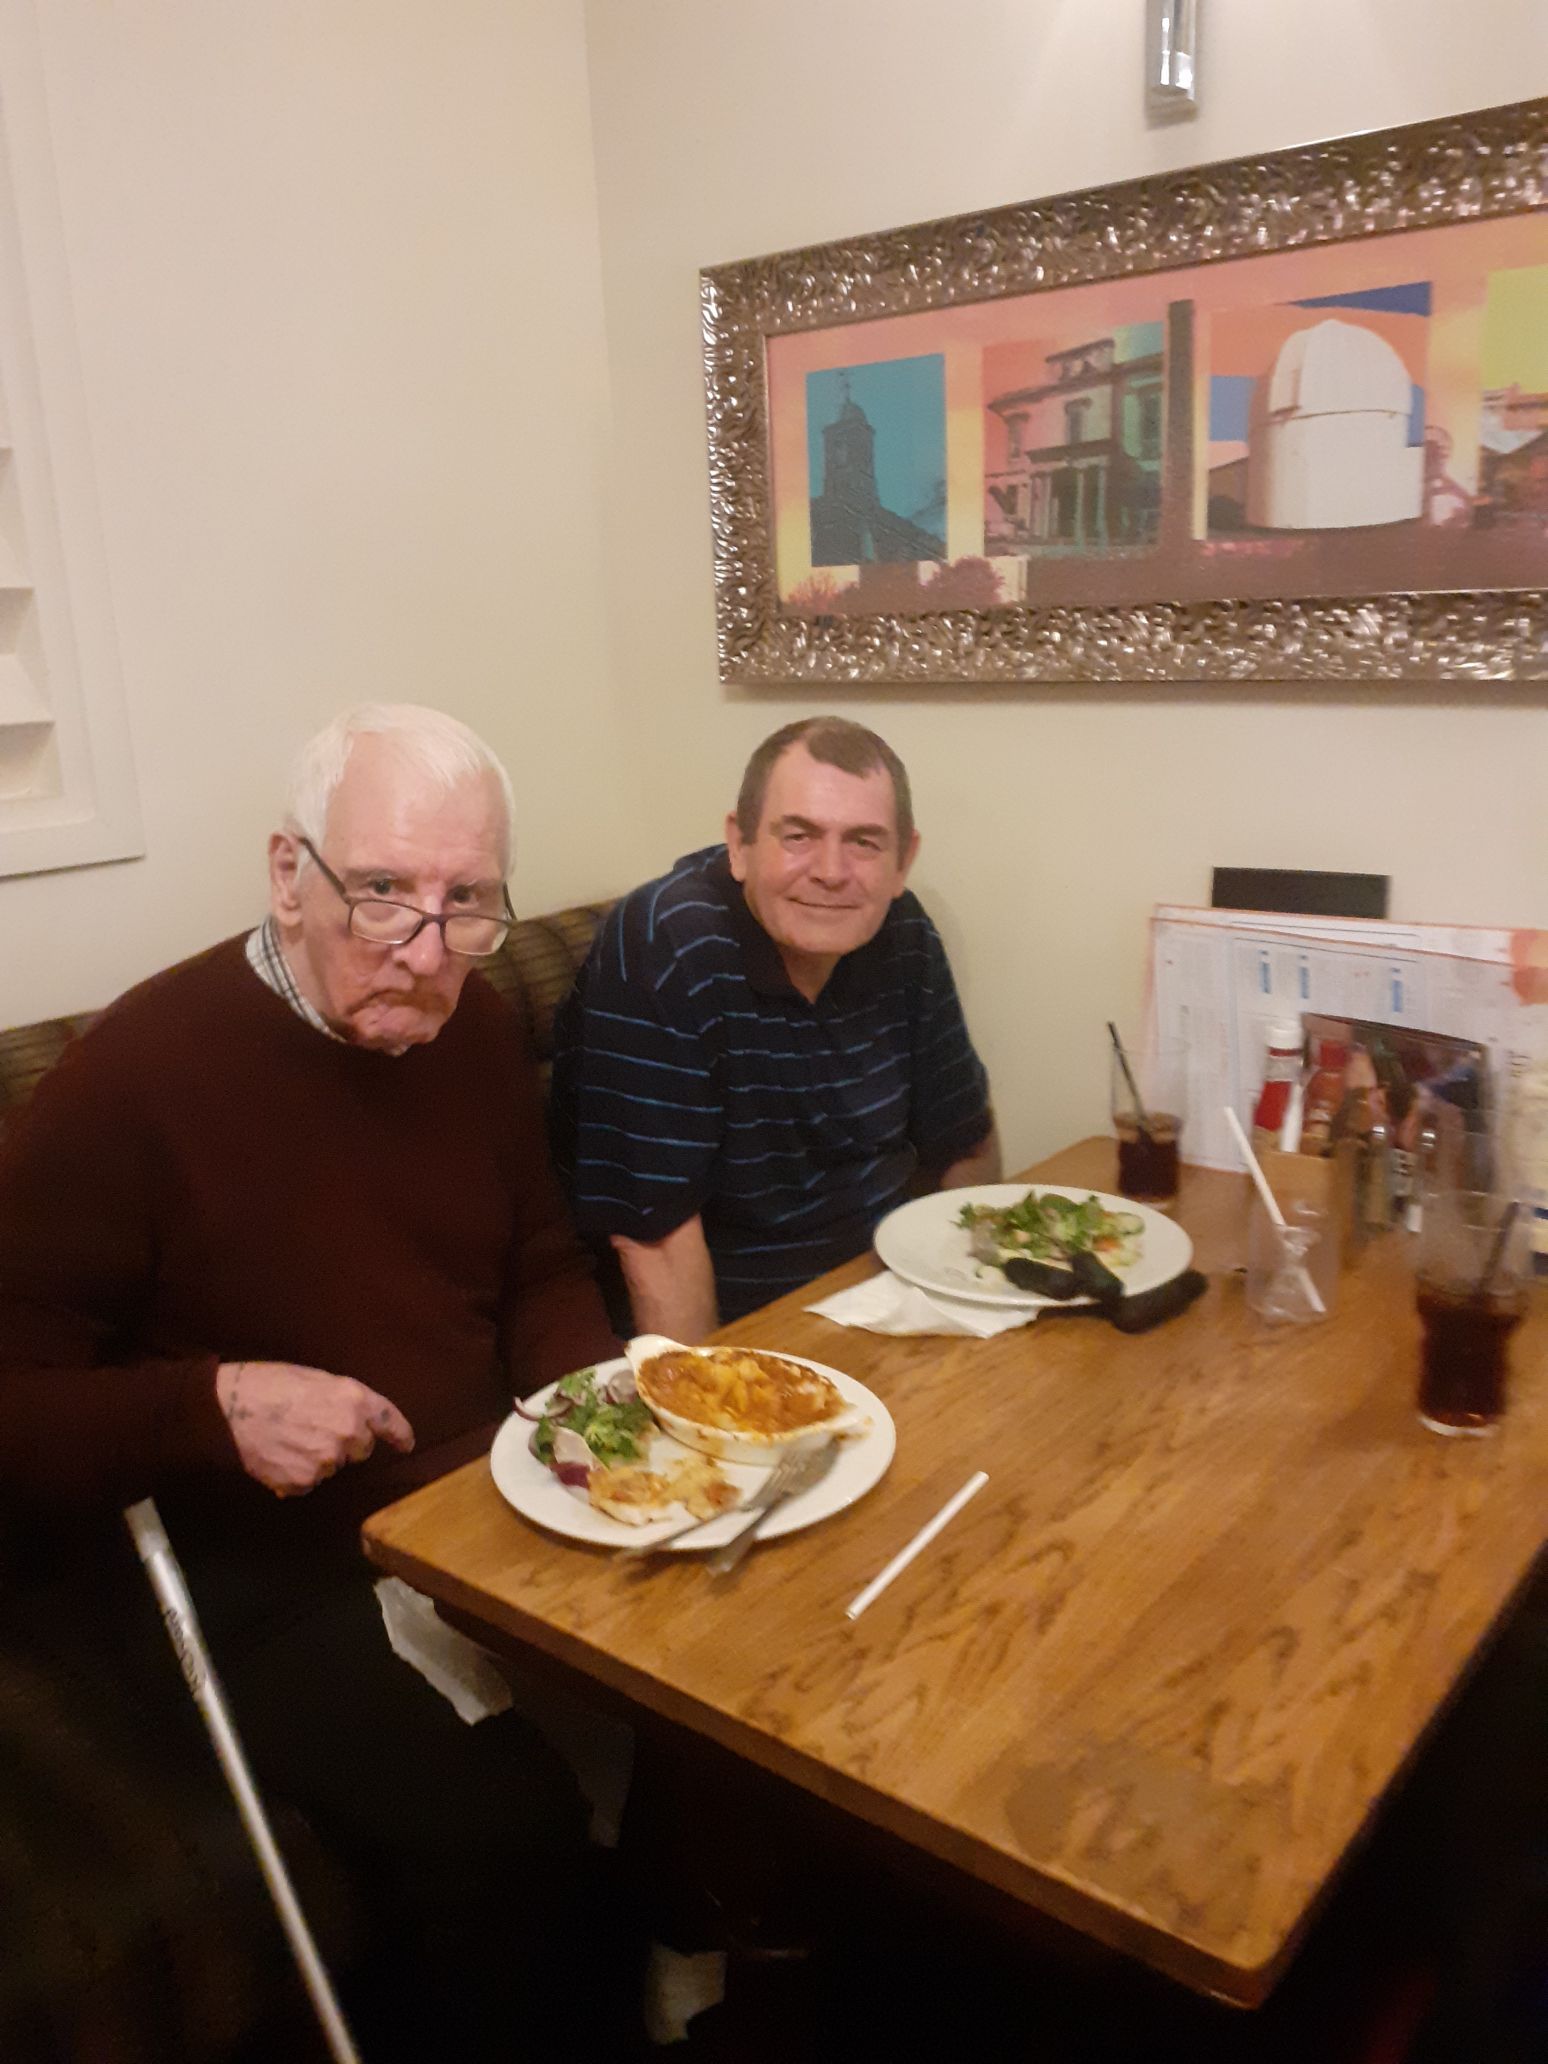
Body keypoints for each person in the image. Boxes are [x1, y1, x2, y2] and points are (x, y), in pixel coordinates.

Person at [0, 705, 624, 2061]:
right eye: (382, 890)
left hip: (480, 1502)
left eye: (469, 903)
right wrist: (214, 1404)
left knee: (738, 1673)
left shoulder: (467, 1028)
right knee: (503, 1830)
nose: (427, 948)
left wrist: (597, 1407)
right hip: (270, 1571)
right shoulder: (133, 1082)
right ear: (289, 874)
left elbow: (539, 1263)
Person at [552, 714, 1000, 1340]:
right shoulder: (665, 945)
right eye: (798, 835)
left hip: (893, 1298)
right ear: (739, 845)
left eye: (864, 842)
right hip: (747, 1332)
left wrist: (985, 1311)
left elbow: (965, 1142)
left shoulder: (902, 932)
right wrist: (716, 1395)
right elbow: (655, 1244)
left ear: (904, 861)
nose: (831, 871)